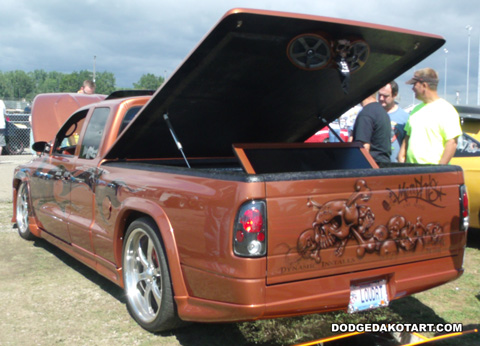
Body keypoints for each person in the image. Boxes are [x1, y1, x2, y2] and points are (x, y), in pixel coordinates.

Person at [398, 68, 462, 164]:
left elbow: (452, 143)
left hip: (432, 173)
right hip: (410, 170)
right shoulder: (415, 110)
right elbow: (407, 138)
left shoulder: (446, 110)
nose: (412, 89)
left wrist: (439, 170)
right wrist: (401, 158)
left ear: (424, 86)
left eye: (414, 85)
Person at [352, 93, 391, 163]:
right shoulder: (382, 111)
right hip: (383, 165)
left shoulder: (366, 114)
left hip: (372, 167)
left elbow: (363, 149)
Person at [378, 81, 409, 162]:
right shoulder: (371, 113)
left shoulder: (405, 118)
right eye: (379, 95)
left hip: (395, 166)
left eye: (385, 96)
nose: (381, 98)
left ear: (394, 95)